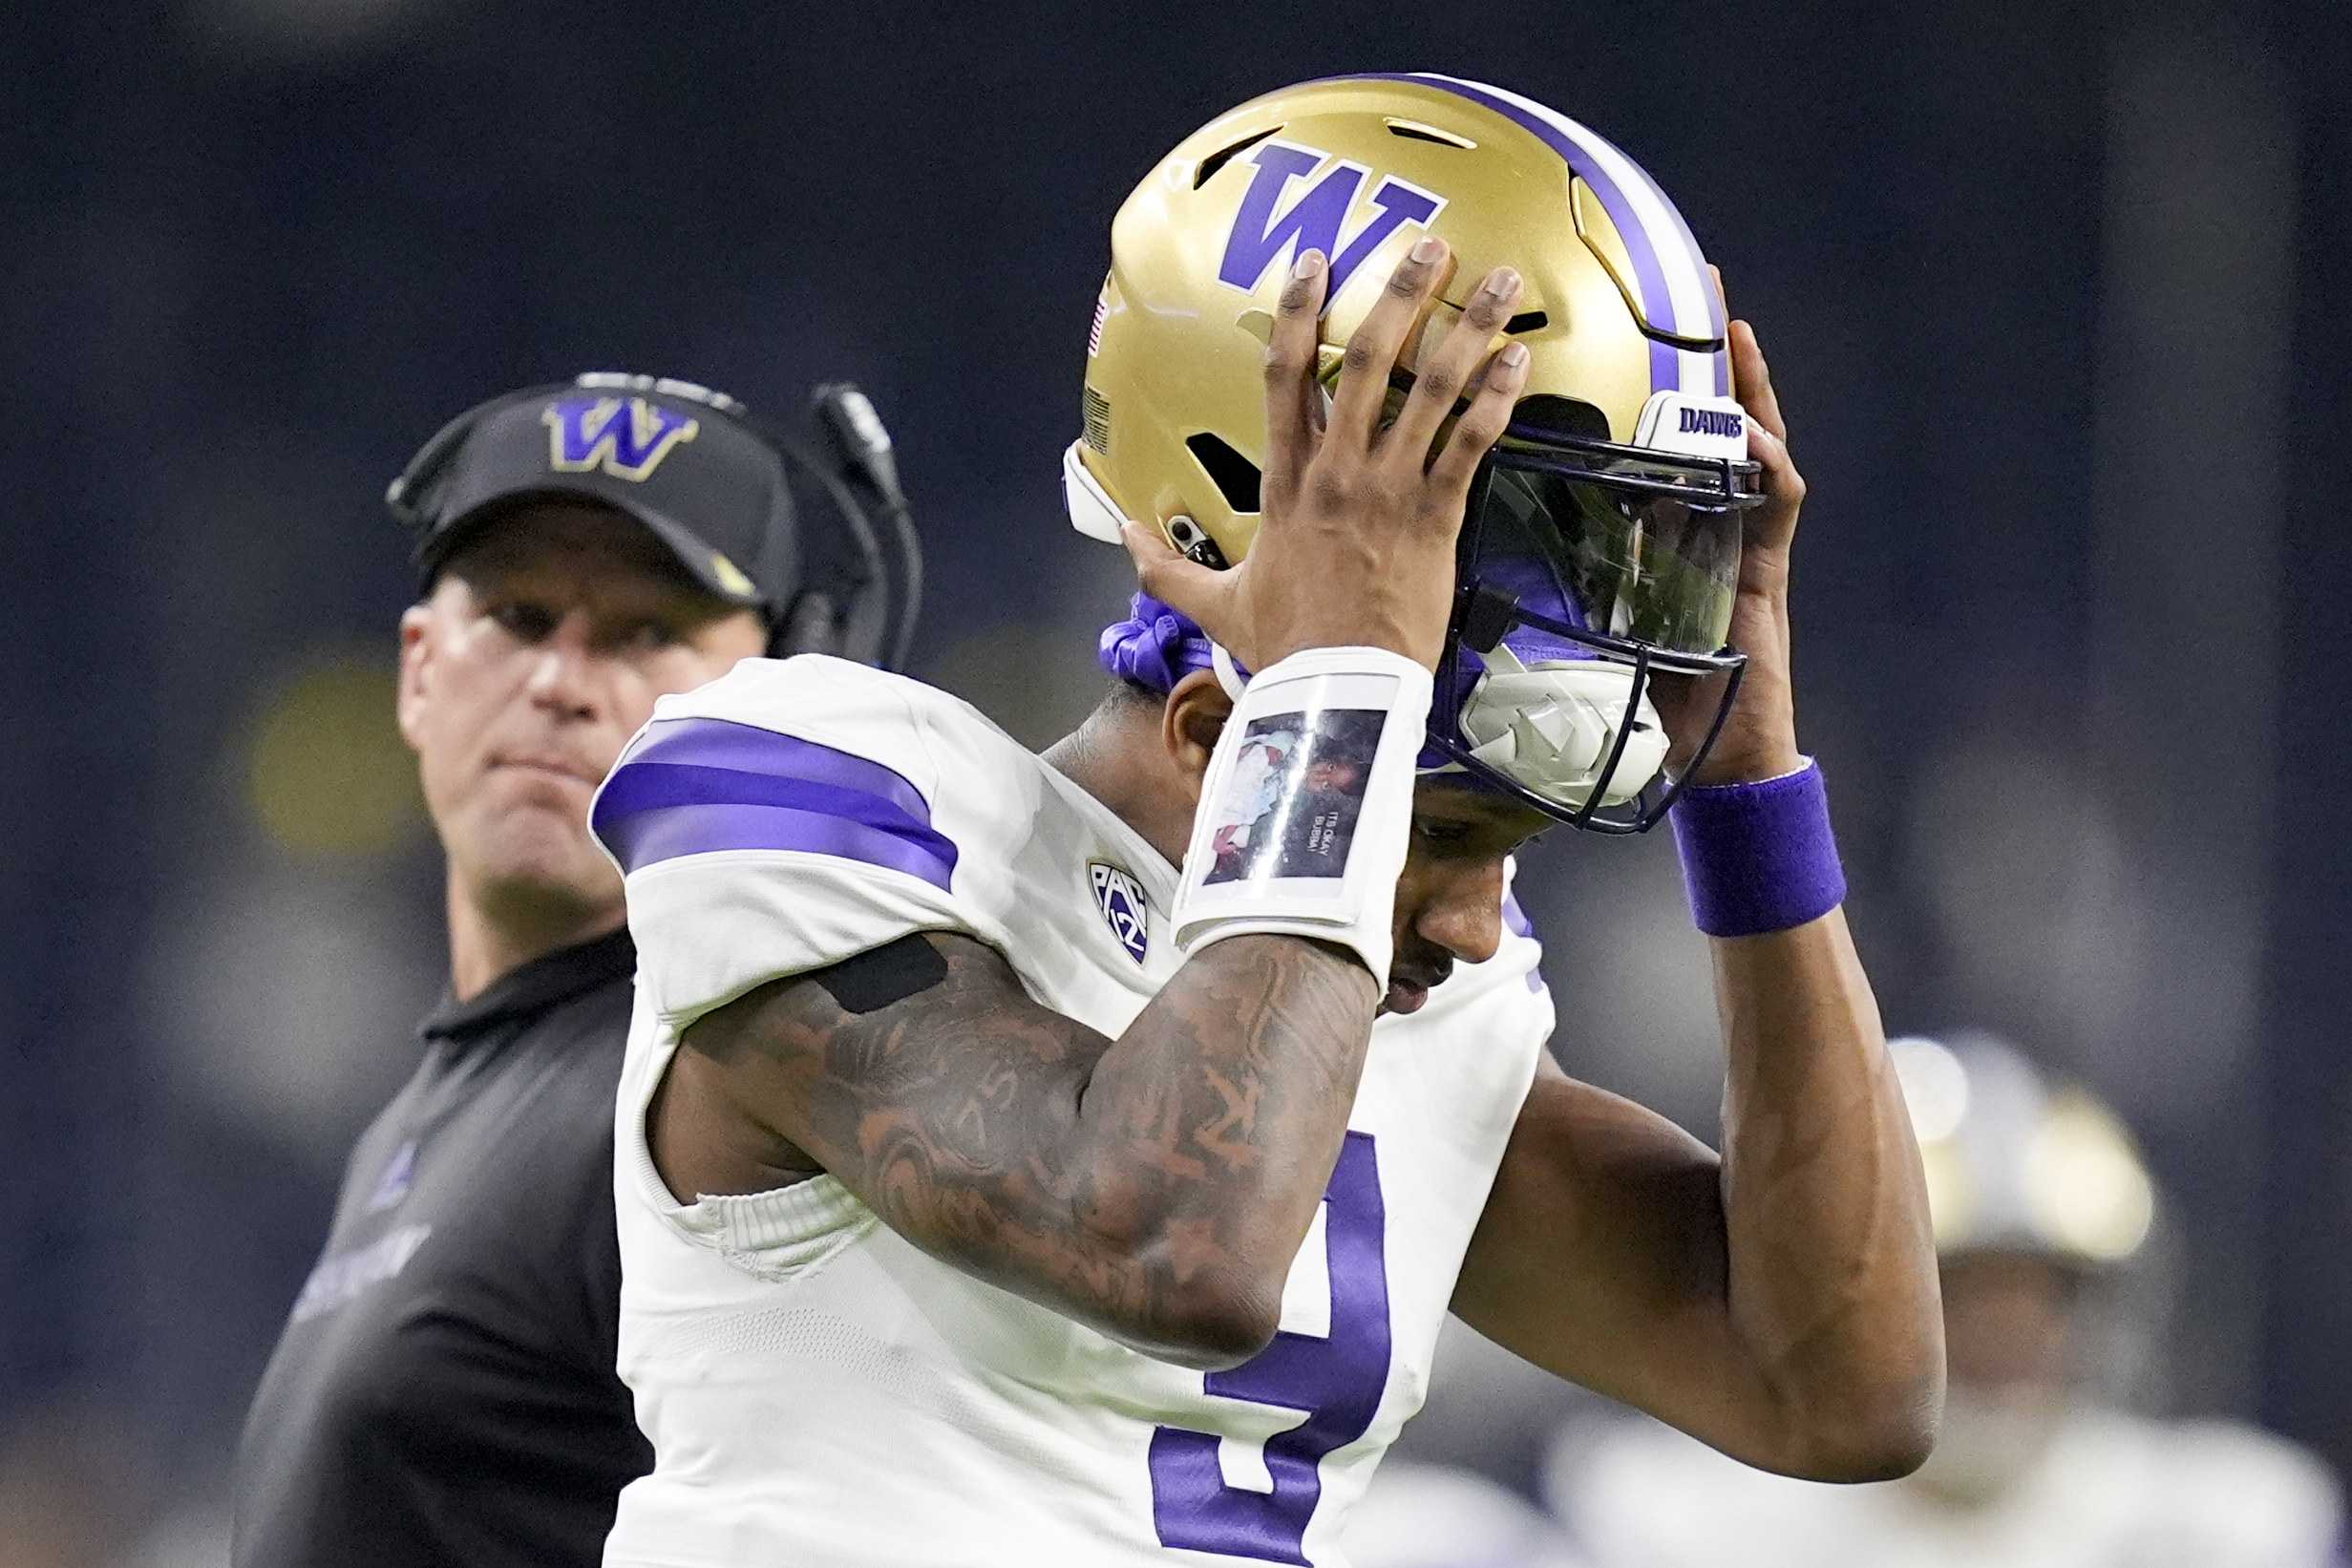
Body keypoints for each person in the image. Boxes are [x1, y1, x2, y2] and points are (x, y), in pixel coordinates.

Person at [591, 74, 1942, 1567]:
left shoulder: (1429, 1009)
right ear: (1208, 730)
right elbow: (1169, 1238)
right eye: (1440, 835)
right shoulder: (824, 785)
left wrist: (1751, 787)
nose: (1479, 921)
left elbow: (1838, 1389)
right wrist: (1341, 689)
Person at [232, 373, 900, 1567]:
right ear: (420, 671)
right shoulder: (429, 1114)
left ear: (787, 700)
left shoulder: (723, 1080)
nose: (561, 679)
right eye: (521, 617)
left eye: (648, 631)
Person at [1551, 1033, 2346, 1567]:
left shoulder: (2213, 1522)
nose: (2005, 1335)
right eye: (1955, 1293)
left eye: (2038, 1297)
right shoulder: (1681, 1516)